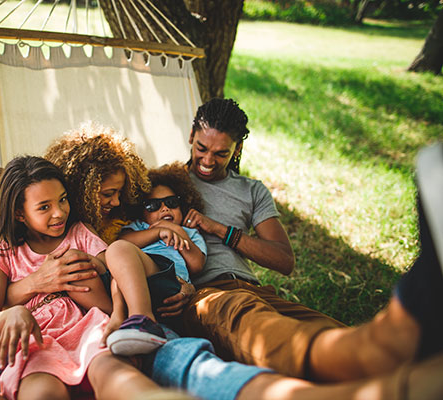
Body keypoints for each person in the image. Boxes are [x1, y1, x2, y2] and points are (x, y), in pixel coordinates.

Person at [0, 122, 443, 399]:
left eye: (123, 193)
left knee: (259, 325)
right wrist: (28, 284)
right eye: (105, 194)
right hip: (70, 336)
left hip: (129, 322)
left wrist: (188, 231)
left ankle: (393, 349)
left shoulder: (114, 220)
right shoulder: (65, 228)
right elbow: (34, 200)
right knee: (229, 328)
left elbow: (116, 246)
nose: (118, 202)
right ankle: (384, 351)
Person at [180, 98, 442, 383]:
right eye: (201, 148)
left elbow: (283, 260)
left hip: (257, 291)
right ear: (191, 137)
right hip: (208, 294)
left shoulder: (251, 190)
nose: (207, 161)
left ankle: (411, 365)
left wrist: (221, 229)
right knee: (261, 329)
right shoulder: (170, 184)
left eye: (221, 153)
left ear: (237, 149)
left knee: (330, 330)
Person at [0, 155, 162, 399]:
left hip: (90, 328)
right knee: (41, 392)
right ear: (19, 214)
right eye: (44, 207)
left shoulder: (80, 234)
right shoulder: (7, 252)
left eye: (62, 200)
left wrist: (117, 313)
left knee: (113, 374)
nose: (59, 212)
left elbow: (118, 272)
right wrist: (14, 312)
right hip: (37, 340)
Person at [115, 162, 207, 334]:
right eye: (153, 205)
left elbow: (196, 265)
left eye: (172, 202)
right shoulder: (139, 227)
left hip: (172, 282)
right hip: (138, 279)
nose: (164, 208)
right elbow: (122, 243)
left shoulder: (190, 233)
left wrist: (178, 231)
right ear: (141, 211)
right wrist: (159, 232)